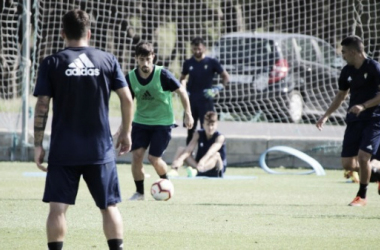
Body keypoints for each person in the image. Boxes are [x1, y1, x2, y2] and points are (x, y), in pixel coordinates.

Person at [33, 9, 133, 250]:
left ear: (62, 33)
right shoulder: (107, 59)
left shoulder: (53, 62)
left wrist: (38, 144)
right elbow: (127, 99)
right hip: (99, 149)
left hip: (64, 149)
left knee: (57, 208)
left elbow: (42, 104)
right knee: (109, 206)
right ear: (89, 33)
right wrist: (126, 132)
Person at [316, 35, 380, 207]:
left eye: (344, 52)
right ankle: (377, 173)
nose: (342, 55)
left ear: (353, 52)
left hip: (374, 119)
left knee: (363, 156)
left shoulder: (374, 67)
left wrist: (364, 106)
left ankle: (362, 196)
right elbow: (341, 95)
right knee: (348, 164)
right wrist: (326, 115)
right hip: (354, 120)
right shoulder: (347, 71)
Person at [126, 41, 193, 201]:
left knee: (153, 158)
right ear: (136, 59)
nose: (145, 63)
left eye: (148, 59)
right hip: (141, 122)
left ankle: (166, 184)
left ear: (153, 57)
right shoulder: (131, 77)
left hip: (162, 123)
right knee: (136, 156)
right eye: (142, 59)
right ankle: (139, 193)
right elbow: (127, 102)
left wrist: (188, 113)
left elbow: (182, 92)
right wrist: (124, 125)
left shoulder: (162, 74)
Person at [180, 37, 229, 145]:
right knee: (190, 129)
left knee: (207, 130)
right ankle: (189, 156)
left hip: (206, 101)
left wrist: (219, 87)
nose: (197, 51)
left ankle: (205, 155)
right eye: (194, 49)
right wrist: (183, 88)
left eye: (199, 49)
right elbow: (182, 78)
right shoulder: (188, 63)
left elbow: (225, 77)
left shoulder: (212, 62)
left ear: (204, 48)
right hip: (191, 100)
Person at [168, 111, 227, 178]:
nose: (210, 128)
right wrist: (180, 160)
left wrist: (202, 161)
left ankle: (197, 171)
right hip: (198, 165)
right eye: (208, 124)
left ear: (216, 125)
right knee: (181, 149)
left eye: (212, 125)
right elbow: (189, 149)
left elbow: (211, 151)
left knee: (216, 155)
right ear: (203, 124)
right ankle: (174, 170)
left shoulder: (220, 137)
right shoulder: (198, 133)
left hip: (215, 167)